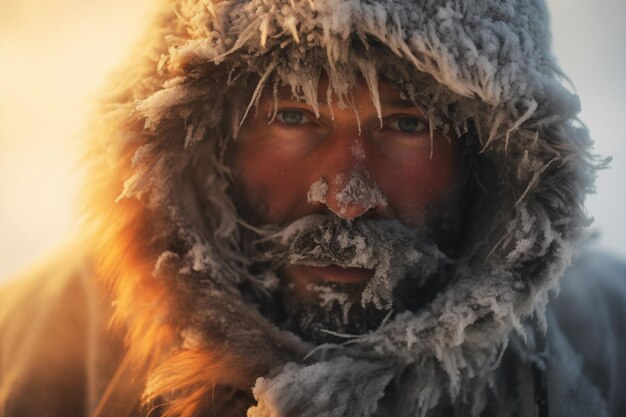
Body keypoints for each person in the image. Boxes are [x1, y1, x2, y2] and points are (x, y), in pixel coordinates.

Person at [0, 0, 625, 416]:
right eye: (294, 117)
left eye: (405, 125)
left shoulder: (609, 346)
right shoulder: (30, 350)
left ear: (490, 159)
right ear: (206, 144)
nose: (347, 197)